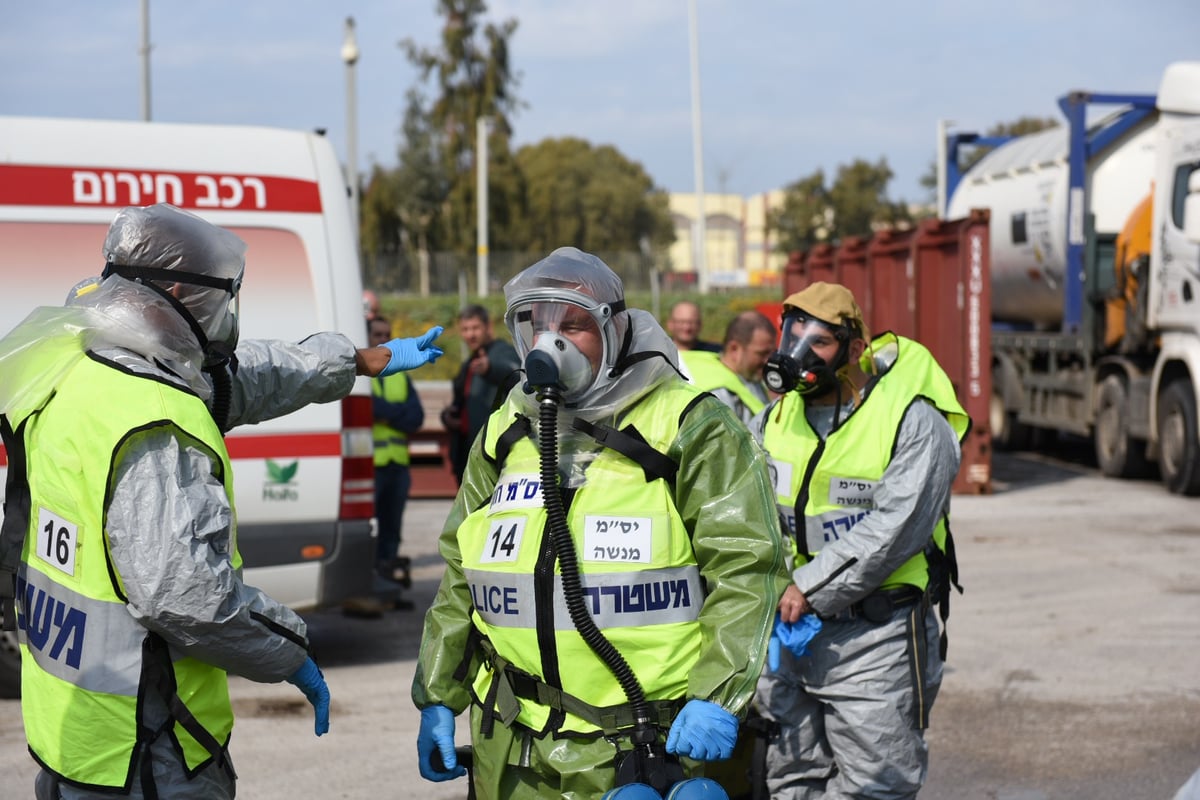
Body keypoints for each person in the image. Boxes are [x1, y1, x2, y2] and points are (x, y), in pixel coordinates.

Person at [0, 203, 444, 800]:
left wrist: (359, 361)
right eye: (222, 297)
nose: (224, 315)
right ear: (179, 290)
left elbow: (246, 375)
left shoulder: (74, 365)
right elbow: (188, 598)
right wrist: (289, 651)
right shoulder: (152, 417)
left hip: (71, 738)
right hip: (149, 749)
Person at [411, 247, 789, 799]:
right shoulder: (506, 431)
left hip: (643, 745)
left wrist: (719, 693)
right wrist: (439, 694)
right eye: (536, 322)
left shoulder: (688, 425)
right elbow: (459, 573)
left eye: (574, 323)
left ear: (616, 332)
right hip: (513, 747)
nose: (550, 340)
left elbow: (746, 566)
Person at [749, 282, 968, 800]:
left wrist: (804, 587)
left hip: (876, 636)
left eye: (818, 341)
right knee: (788, 780)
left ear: (852, 349)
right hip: (789, 636)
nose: (797, 351)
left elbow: (897, 528)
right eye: (792, 332)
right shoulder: (772, 419)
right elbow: (748, 519)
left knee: (876, 785)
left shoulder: (913, 422)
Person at [368, 314, 424, 603]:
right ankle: (368, 590)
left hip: (397, 467)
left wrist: (386, 412)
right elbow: (368, 407)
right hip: (371, 467)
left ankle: (388, 592)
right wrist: (396, 412)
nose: (383, 340)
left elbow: (416, 417)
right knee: (371, 533)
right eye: (377, 334)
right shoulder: (362, 374)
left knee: (392, 531)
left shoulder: (400, 374)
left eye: (387, 334)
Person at [439, 304, 520, 484]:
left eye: (475, 328)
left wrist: (490, 369)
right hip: (466, 453)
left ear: (488, 327)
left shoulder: (501, 352)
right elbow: (460, 403)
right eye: (465, 329)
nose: (470, 334)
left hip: (492, 456)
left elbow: (515, 374)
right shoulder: (469, 363)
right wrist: (448, 418)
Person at [684, 310, 776, 426]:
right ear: (734, 349)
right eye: (762, 353)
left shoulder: (750, 376)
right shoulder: (719, 394)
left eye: (772, 353)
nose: (768, 360)